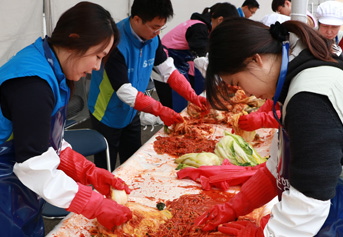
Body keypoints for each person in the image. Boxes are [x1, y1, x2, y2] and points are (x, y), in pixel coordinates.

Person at [195, 17, 343, 236]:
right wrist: (235, 206)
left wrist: (264, 234)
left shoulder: (309, 97)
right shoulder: (295, 78)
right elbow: (278, 166)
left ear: (256, 60)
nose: (245, 92)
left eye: (237, 82)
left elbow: (310, 200)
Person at [0, 2, 132, 236]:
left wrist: (87, 171)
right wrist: (95, 204)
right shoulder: (33, 84)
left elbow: (47, 140)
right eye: (97, 56)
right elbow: (35, 165)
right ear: (73, 40)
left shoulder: (53, 70)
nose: (96, 67)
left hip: (22, 193)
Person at [88, 0, 207, 170]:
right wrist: (161, 110)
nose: (157, 32)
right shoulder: (115, 41)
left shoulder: (152, 38)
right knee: (106, 168)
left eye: (161, 28)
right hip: (107, 112)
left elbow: (169, 71)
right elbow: (124, 90)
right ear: (136, 19)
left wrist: (192, 96)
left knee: (134, 162)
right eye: (154, 27)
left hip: (132, 111)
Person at [154, 2, 239, 112]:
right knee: (174, 108)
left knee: (185, 103)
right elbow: (202, 59)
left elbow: (208, 55)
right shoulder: (198, 28)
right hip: (164, 65)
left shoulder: (205, 28)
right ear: (220, 20)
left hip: (178, 65)